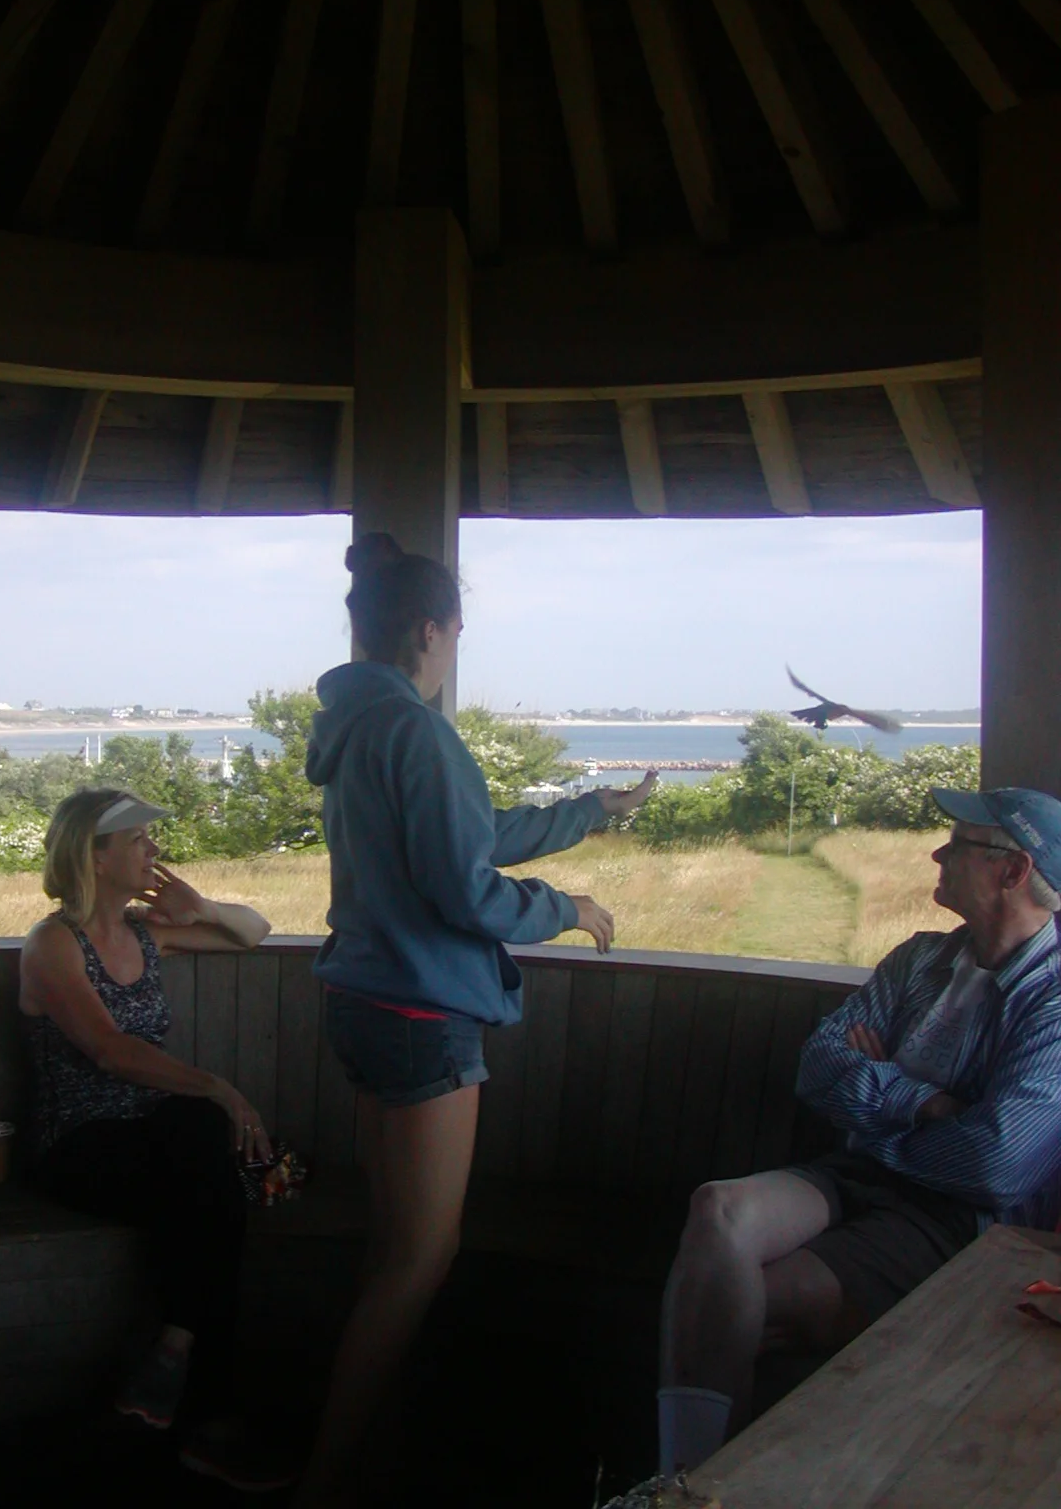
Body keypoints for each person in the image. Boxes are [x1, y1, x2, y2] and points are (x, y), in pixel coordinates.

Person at [293, 533, 656, 1506]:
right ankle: (328, 1479)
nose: (455, 649)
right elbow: (467, 883)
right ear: (429, 629)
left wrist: (587, 810)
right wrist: (566, 908)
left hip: (363, 1000)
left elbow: (472, 829)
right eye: (456, 633)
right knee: (423, 1255)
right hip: (420, 1014)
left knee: (393, 1242)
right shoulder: (416, 730)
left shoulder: (362, 727)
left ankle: (367, 1448)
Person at [658, 784, 1061, 1478]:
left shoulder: (1051, 1000)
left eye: (959, 843)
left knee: (722, 1302)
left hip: (949, 1217)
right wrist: (928, 1103)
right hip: (859, 1173)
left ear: (1012, 869)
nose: (938, 852)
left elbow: (995, 1166)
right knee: (716, 1209)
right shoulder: (920, 959)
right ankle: (681, 1485)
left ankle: (700, 1483)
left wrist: (874, 1112)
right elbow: (819, 1066)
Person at [19, 788, 286, 1494]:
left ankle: (174, 1356)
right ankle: (210, 1416)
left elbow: (254, 930)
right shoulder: (53, 943)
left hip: (160, 1138)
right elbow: (108, 1051)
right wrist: (219, 1087)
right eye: (138, 840)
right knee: (211, 1170)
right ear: (95, 856)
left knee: (202, 1170)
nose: (154, 851)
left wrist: (203, 911)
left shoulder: (145, 932)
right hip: (79, 1143)